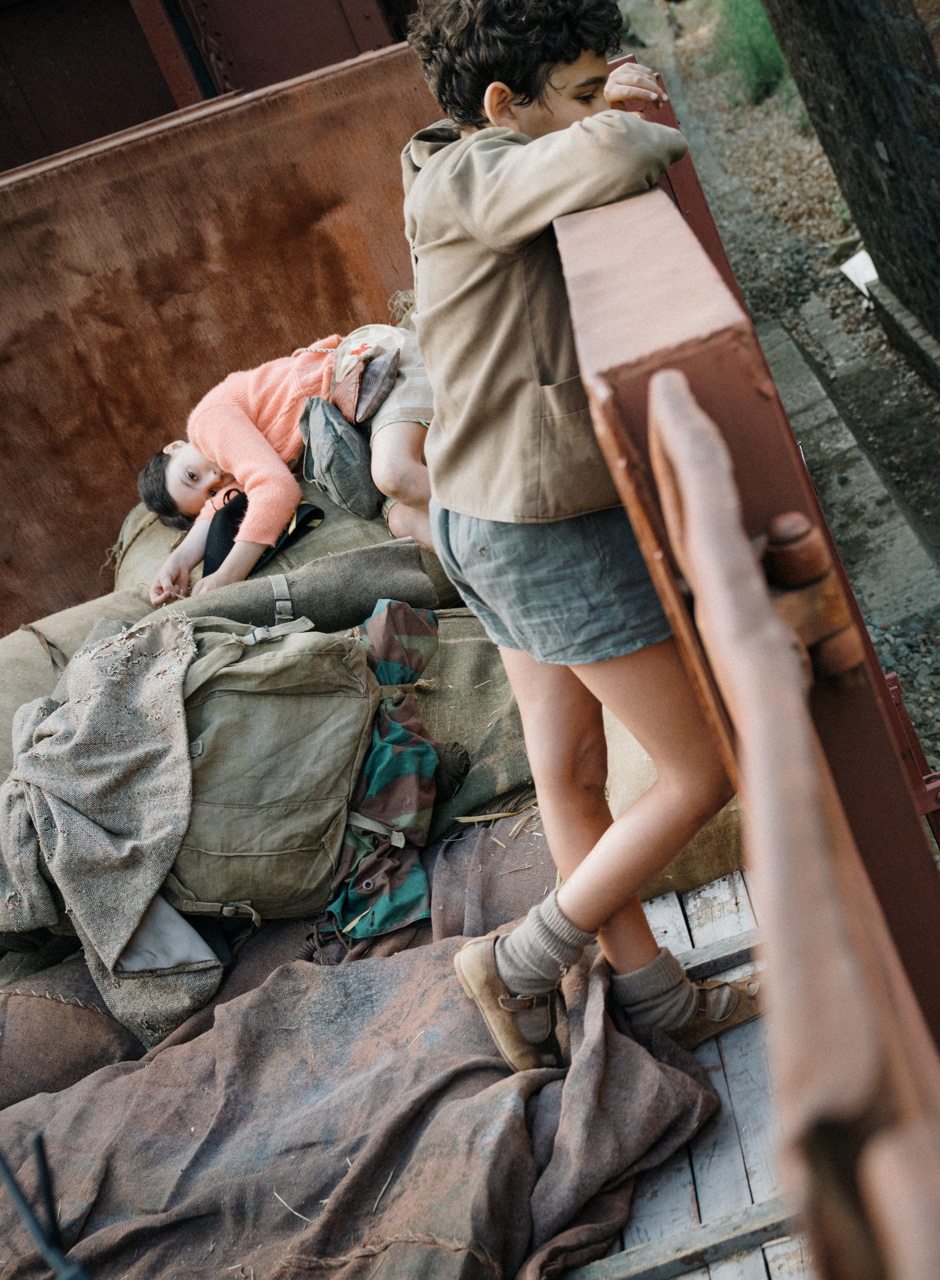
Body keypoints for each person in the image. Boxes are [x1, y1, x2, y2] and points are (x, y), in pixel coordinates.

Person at [404, 0, 751, 1070]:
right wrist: (632, 110)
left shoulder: (459, 161)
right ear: (503, 104)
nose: (600, 105)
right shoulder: (469, 175)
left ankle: (654, 995)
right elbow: (613, 154)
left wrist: (596, 103)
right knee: (705, 771)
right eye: (582, 89)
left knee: (571, 769)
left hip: (487, 513)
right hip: (540, 529)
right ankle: (518, 963)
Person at [139, 326, 439, 604]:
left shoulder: (206, 424)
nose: (214, 478)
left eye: (192, 475)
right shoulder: (232, 471)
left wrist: (228, 575)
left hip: (367, 369)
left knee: (394, 474)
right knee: (405, 521)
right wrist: (179, 561)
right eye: (211, 491)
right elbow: (214, 510)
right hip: (361, 429)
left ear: (175, 447)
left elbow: (276, 490)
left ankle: (471, 504)